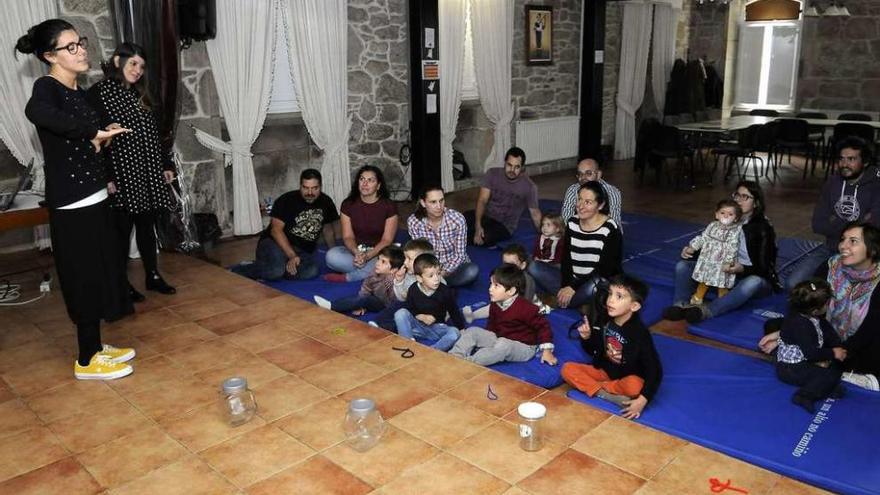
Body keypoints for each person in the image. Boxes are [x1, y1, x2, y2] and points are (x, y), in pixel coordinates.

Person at [19, 19, 134, 380]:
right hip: (72, 202)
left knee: (99, 272)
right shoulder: (46, 88)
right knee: (82, 277)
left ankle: (95, 346)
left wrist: (104, 135)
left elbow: (87, 137)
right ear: (49, 55)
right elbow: (37, 114)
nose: (81, 49)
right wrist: (92, 132)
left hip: (94, 195)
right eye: (70, 47)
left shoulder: (79, 92)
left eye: (80, 42)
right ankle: (86, 361)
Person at [86, 42, 177, 301]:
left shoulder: (142, 93)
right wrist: (107, 177)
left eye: (141, 66)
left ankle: (153, 275)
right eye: (133, 64)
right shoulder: (99, 93)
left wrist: (165, 165)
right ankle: (120, 283)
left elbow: (155, 135)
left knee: (147, 227)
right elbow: (93, 139)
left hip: (147, 171)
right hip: (120, 173)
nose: (138, 70)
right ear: (118, 62)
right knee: (121, 233)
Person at [761, 222, 880, 391]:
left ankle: (826, 366)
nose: (843, 246)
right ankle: (825, 367)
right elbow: (805, 301)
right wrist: (785, 334)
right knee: (773, 325)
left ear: (873, 250)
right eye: (843, 239)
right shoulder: (831, 265)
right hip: (825, 331)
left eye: (853, 241)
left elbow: (869, 331)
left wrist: (837, 353)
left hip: (858, 342)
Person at [664, 180, 780, 324]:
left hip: (752, 275)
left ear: (756, 203)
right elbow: (709, 245)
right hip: (722, 271)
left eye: (745, 197)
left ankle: (708, 310)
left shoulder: (763, 227)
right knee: (682, 266)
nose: (739, 200)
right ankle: (680, 305)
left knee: (753, 282)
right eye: (737, 195)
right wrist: (691, 250)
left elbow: (764, 268)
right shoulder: (725, 219)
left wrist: (741, 269)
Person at [561, 274, 662, 420]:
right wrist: (587, 337)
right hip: (604, 372)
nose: (610, 300)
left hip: (626, 377)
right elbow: (593, 351)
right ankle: (606, 394)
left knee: (636, 386)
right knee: (567, 369)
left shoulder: (639, 333)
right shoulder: (605, 319)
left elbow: (655, 370)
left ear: (634, 306)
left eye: (619, 296)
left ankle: (598, 388)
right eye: (610, 294)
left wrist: (643, 400)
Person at [785, 137, 880, 290]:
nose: (844, 164)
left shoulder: (876, 185)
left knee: (842, 290)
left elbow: (874, 228)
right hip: (832, 247)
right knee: (793, 284)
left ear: (865, 162)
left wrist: (835, 221)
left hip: (864, 254)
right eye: (841, 159)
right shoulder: (832, 182)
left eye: (851, 159)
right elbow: (818, 224)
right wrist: (861, 221)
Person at [231, 169, 338, 281]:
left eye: (314, 188)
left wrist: (334, 253)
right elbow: (276, 231)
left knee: (311, 271)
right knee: (275, 270)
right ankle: (241, 270)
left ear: (320, 186)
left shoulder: (326, 202)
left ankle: (279, 267)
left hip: (302, 250)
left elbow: (328, 229)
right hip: (274, 243)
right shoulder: (286, 200)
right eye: (306, 188)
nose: (310, 193)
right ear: (300, 186)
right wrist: (292, 255)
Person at [531, 181, 623, 309]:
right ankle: (577, 302)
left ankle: (564, 300)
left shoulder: (610, 229)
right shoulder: (573, 223)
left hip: (593, 280)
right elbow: (566, 259)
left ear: (600, 205)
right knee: (534, 267)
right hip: (573, 279)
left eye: (588, 202)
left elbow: (605, 269)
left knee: (596, 285)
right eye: (579, 199)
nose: (580, 205)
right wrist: (566, 286)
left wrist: (573, 287)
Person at [450, 264, 557, 366]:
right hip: (500, 339)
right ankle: (454, 356)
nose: (490, 289)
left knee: (503, 345)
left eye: (496, 286)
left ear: (511, 291)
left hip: (523, 347)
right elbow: (492, 324)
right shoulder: (495, 304)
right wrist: (485, 339)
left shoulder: (526, 308)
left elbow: (543, 327)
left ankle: (468, 363)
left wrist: (547, 351)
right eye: (491, 284)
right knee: (473, 331)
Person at [776, 279, 846, 414]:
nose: (828, 306)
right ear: (814, 311)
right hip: (789, 368)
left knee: (834, 374)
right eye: (826, 304)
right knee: (830, 376)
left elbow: (828, 331)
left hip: (803, 358)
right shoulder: (802, 325)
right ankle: (803, 396)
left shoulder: (810, 315)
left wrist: (838, 345)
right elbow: (811, 353)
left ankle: (823, 387)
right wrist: (833, 353)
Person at [325, 165, 398, 282]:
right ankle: (371, 273)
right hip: (356, 252)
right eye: (362, 179)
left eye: (370, 180)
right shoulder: (348, 204)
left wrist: (368, 256)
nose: (365, 183)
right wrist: (357, 253)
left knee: (386, 263)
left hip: (379, 253)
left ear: (378, 185)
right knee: (331, 256)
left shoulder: (389, 206)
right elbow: (348, 236)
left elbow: (387, 240)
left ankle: (348, 277)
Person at [465, 147, 541, 247]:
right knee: (460, 221)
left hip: (504, 226)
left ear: (522, 168)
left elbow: (535, 214)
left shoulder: (529, 187)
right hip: (486, 216)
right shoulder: (492, 174)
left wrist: (544, 234)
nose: (512, 170)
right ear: (504, 163)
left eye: (517, 167)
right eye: (509, 165)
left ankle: (461, 238)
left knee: (483, 238)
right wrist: (478, 225)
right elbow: (482, 200)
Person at [407, 186, 479, 287]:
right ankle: (438, 285)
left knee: (472, 271)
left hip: (452, 266)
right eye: (433, 202)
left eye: (441, 201)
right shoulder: (414, 222)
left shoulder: (457, 219)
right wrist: (431, 273)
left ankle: (435, 285)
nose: (439, 206)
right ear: (423, 203)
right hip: (428, 267)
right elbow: (419, 254)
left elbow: (460, 254)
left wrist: (443, 272)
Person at [394, 253, 465, 351]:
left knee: (454, 333)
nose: (436, 279)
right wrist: (420, 316)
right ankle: (407, 342)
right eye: (431, 276)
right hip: (417, 327)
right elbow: (409, 308)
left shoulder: (445, 291)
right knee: (400, 313)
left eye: (438, 274)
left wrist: (461, 328)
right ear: (419, 278)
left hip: (436, 328)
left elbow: (454, 310)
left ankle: (433, 350)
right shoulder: (413, 289)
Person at [462, 243, 548, 323]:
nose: (507, 268)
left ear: (522, 266)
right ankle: (472, 316)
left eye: (512, 265)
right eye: (505, 264)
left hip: (528, 305)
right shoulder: (504, 277)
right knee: (495, 306)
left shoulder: (527, 282)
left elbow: (524, 306)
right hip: (510, 302)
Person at [684, 199, 743, 305]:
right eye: (722, 213)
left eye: (730, 214)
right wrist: (693, 247)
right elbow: (703, 237)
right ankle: (698, 296)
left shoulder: (735, 231)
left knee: (722, 281)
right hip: (707, 258)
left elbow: (733, 247)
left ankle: (722, 299)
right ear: (717, 215)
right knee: (704, 278)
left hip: (722, 261)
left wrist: (728, 262)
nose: (726, 216)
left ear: (736, 218)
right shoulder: (712, 226)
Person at [315, 246, 404, 315]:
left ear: (393, 270)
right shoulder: (374, 272)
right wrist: (361, 305)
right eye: (378, 259)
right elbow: (366, 287)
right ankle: (333, 305)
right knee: (361, 298)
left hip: (388, 306)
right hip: (375, 300)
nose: (377, 263)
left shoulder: (395, 280)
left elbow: (395, 300)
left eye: (383, 262)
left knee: (365, 299)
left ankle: (332, 306)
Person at [561, 158, 623, 230]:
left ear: (599, 174)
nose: (583, 177)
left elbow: (613, 222)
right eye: (580, 174)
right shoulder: (572, 190)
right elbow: (566, 218)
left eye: (588, 173)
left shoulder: (611, 193)